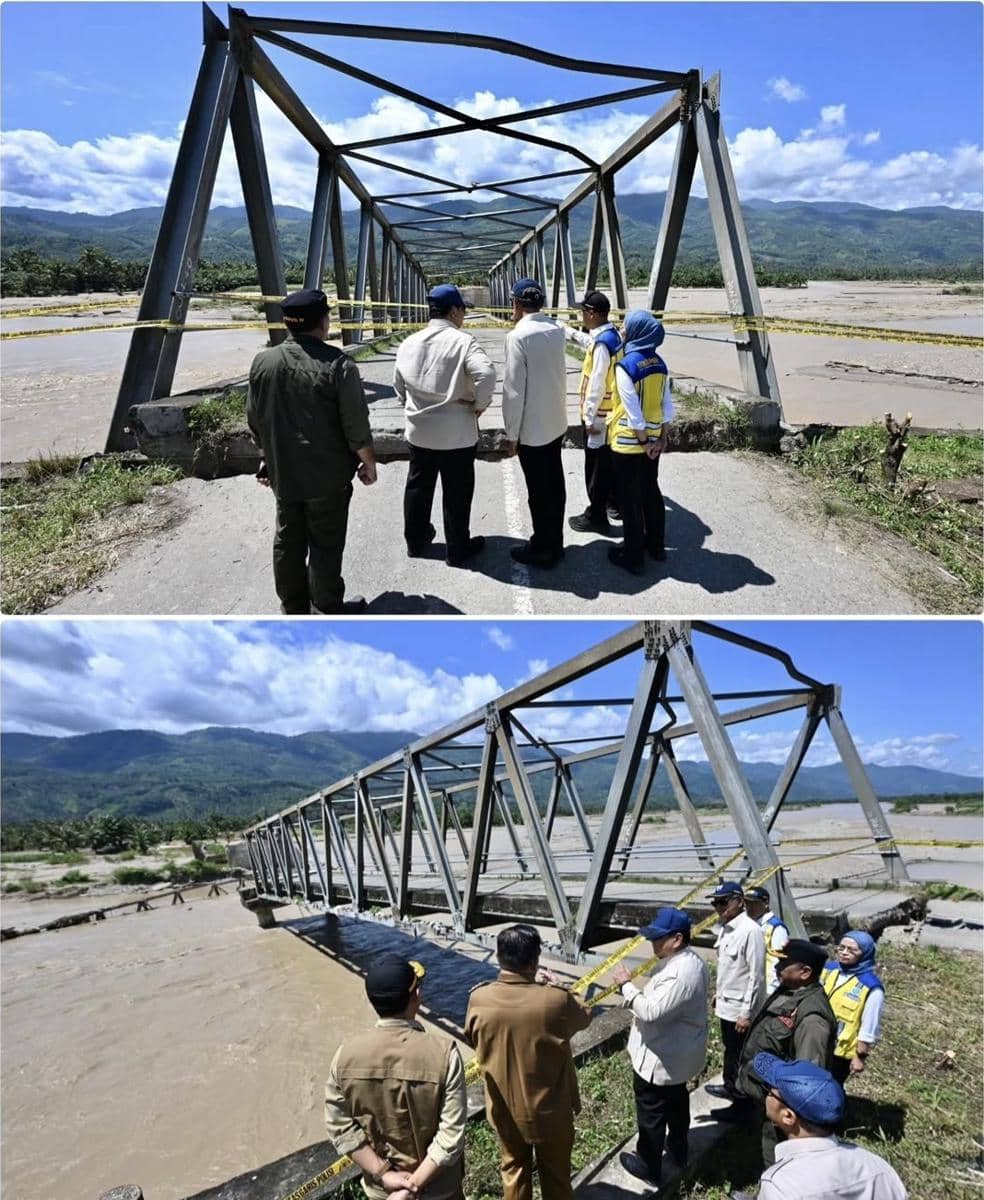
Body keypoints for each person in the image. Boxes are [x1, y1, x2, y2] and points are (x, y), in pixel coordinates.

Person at [246, 288, 377, 614]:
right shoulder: (339, 365)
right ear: (323, 322)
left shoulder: (263, 362)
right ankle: (326, 608)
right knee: (325, 543)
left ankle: (293, 608)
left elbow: (256, 419)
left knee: (288, 541)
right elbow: (355, 425)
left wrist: (265, 459)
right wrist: (368, 464)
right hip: (327, 477)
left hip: (284, 473)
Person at [465, 924, 592, 1200]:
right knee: (556, 1175)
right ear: (534, 961)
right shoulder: (556, 1000)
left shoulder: (478, 998)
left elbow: (472, 1037)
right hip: (552, 1109)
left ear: (499, 956)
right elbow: (585, 1016)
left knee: (513, 1170)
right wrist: (559, 986)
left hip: (505, 1108)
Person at [324, 956, 467, 1200]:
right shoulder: (445, 1055)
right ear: (416, 996)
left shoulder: (344, 1057)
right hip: (440, 1189)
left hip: (385, 1191)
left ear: (372, 1001)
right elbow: (450, 1135)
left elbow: (340, 1127)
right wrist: (414, 1185)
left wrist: (384, 1174)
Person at [394, 283, 496, 567]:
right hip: (456, 434)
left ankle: (416, 542)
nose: (463, 315)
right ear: (453, 311)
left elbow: (399, 385)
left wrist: (412, 404)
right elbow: (487, 373)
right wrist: (478, 405)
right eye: (463, 310)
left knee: (418, 487)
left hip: (419, 431)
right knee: (456, 492)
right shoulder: (464, 342)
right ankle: (457, 548)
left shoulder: (409, 342)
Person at [610, 907, 709, 1189]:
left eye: (657, 938)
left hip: (659, 1059)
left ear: (677, 939)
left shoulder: (680, 973)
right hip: (676, 1056)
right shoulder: (689, 961)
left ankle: (649, 1165)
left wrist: (626, 986)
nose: (652, 943)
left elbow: (651, 1011)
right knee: (677, 1103)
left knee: (651, 1113)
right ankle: (678, 1149)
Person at [721, 940, 838, 1169]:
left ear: (805, 972)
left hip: (785, 1108)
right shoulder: (791, 991)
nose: (777, 967)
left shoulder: (813, 1020)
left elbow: (807, 1079)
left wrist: (786, 1114)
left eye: (784, 963)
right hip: (769, 1096)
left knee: (779, 1158)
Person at [735, 1053, 908, 1200]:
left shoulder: (780, 1186)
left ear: (788, 1116)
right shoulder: (878, 1167)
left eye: (769, 1090)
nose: (766, 1094)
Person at [501, 278, 569, 568]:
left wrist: (511, 434)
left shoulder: (518, 337)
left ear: (516, 303)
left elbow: (513, 391)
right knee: (555, 486)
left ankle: (543, 547)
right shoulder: (556, 329)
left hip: (532, 429)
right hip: (556, 422)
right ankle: (556, 542)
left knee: (538, 493)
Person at [606, 310, 674, 576]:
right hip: (654, 440)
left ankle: (633, 556)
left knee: (629, 499)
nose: (622, 329)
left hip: (629, 442)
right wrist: (662, 438)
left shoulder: (627, 365)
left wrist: (643, 442)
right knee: (650, 492)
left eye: (625, 325)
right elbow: (666, 405)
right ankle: (656, 546)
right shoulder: (660, 364)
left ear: (637, 331)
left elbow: (632, 411)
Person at [565, 290, 623, 535]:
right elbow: (588, 341)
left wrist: (588, 418)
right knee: (608, 463)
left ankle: (596, 515)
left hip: (599, 415)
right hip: (612, 413)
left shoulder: (602, 345)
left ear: (592, 313)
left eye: (583, 312)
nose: (581, 316)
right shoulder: (613, 336)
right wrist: (566, 331)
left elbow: (596, 384)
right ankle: (613, 503)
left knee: (595, 467)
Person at [704, 881, 765, 1104]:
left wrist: (746, 1013)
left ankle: (741, 1098)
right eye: (715, 903)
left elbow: (756, 976)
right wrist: (718, 994)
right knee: (731, 1050)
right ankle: (730, 1087)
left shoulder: (750, 931)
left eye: (723, 902)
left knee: (741, 1055)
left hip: (740, 1009)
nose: (719, 908)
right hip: (727, 1004)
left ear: (739, 902)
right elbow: (729, 969)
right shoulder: (726, 929)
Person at [821, 931, 886, 1085]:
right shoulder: (828, 970)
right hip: (815, 1040)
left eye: (852, 950)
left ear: (865, 954)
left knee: (829, 1088)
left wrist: (860, 1056)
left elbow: (869, 1026)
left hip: (839, 1051)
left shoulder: (871, 987)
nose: (844, 953)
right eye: (841, 947)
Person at [745, 885, 790, 991]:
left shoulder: (776, 928)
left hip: (767, 989)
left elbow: (777, 961)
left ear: (765, 903)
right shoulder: (749, 924)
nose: (749, 907)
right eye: (747, 903)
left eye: (754, 903)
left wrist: (771, 990)